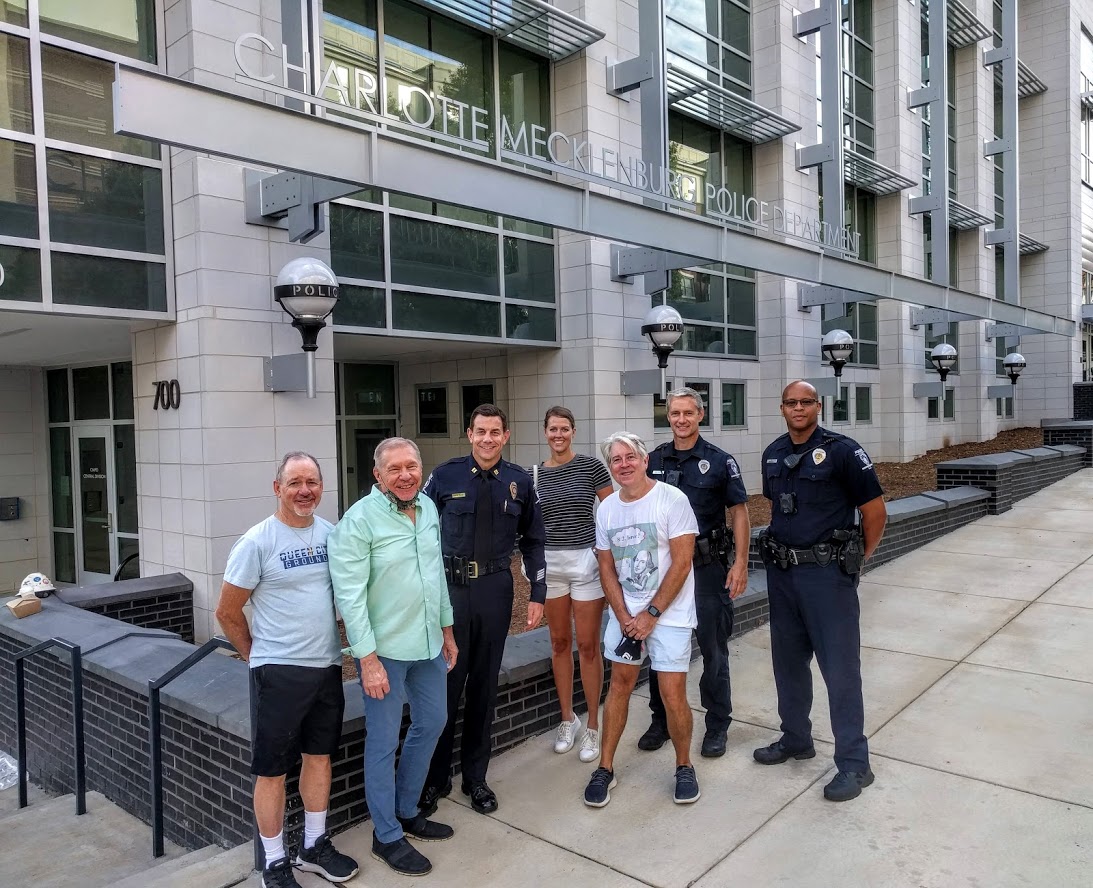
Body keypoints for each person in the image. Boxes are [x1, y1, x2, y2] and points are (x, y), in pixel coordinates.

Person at [215, 453, 358, 888]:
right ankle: (274, 863)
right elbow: (227, 612)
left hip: (327, 668)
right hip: (277, 673)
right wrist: (256, 655)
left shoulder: (332, 535)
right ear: (277, 488)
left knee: (319, 757)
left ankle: (313, 846)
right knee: (273, 770)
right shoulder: (257, 542)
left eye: (312, 481)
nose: (304, 490)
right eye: (294, 482)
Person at [328, 438, 459, 877]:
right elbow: (349, 597)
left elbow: (436, 575)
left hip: (427, 646)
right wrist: (366, 660)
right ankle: (385, 835)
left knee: (433, 721)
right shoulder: (358, 521)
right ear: (377, 475)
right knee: (382, 743)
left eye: (412, 467)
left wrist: (447, 629)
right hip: (383, 652)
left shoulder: (427, 509)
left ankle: (406, 811)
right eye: (395, 469)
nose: (405, 475)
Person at [755, 380, 887, 802]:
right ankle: (796, 738)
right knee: (788, 664)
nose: (798, 408)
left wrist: (856, 559)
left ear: (818, 406)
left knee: (841, 671)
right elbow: (778, 508)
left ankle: (854, 764)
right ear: (782, 408)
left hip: (828, 578)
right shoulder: (773, 452)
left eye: (806, 402)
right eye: (791, 402)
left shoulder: (844, 451)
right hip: (784, 576)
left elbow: (875, 512)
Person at [418, 404, 547, 816]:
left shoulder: (519, 482)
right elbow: (417, 534)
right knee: (445, 688)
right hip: (450, 593)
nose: (488, 439)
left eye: (495, 432)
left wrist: (538, 592)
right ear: (469, 434)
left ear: (505, 436)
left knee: (483, 690)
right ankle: (435, 779)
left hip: (495, 589)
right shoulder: (444, 476)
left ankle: (475, 778)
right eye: (481, 431)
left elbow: (534, 539)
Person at [584, 432, 700, 809]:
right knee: (618, 686)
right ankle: (605, 768)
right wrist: (623, 616)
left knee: (671, 693)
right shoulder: (607, 509)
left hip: (669, 614)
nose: (624, 464)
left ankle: (684, 766)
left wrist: (650, 615)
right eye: (616, 460)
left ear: (644, 459)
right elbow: (606, 566)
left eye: (630, 457)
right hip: (626, 613)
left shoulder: (672, 499)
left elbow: (682, 562)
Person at [641, 387, 751, 759]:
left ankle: (717, 724)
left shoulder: (720, 462)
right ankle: (662, 721)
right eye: (675, 413)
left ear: (700, 415)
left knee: (713, 652)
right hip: (665, 574)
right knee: (660, 651)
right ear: (668, 417)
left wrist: (739, 563)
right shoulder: (652, 461)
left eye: (689, 413)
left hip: (707, 570)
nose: (681, 420)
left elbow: (739, 513)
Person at [536, 406, 614, 763]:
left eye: (564, 428)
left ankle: (594, 724)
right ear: (545, 432)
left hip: (585, 562)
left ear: (573, 431)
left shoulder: (591, 467)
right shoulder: (534, 475)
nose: (558, 435)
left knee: (587, 645)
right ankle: (568, 718)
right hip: (552, 566)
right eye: (553, 429)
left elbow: (612, 512)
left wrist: (609, 559)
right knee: (559, 642)